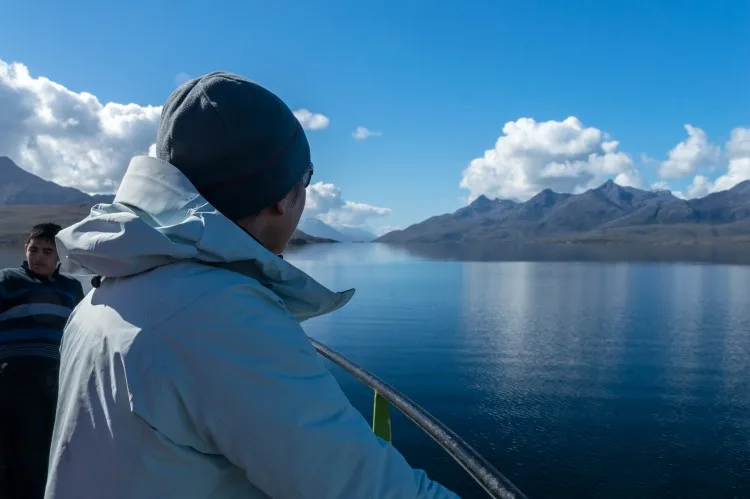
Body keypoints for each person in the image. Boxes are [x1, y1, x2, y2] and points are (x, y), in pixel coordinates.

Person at [45, 72, 458, 498]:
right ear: (282, 193)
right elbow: (369, 489)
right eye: (307, 177)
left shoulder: (101, 296)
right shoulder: (222, 319)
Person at [0, 223, 85, 499]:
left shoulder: (70, 289)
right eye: (33, 249)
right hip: (12, 378)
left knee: (44, 451)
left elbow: (84, 330)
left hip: (55, 381)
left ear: (60, 255)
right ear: (25, 249)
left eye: (48, 251)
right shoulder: (8, 281)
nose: (38, 257)